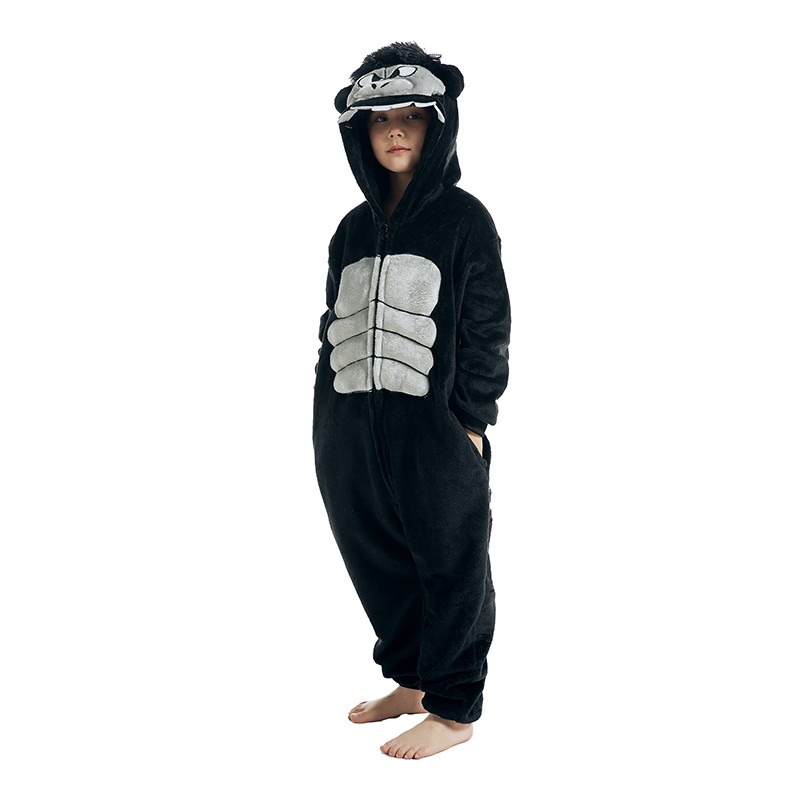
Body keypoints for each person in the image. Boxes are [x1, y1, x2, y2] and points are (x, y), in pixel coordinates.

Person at [312, 41, 511, 759]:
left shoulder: (464, 219)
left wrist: (471, 421)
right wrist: (325, 416)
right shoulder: (351, 228)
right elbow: (333, 320)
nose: (395, 130)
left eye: (412, 117)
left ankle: (453, 708)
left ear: (438, 124)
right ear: (359, 133)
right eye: (379, 119)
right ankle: (414, 679)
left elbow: (487, 326)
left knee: (451, 562)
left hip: (435, 429)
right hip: (346, 423)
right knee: (375, 554)